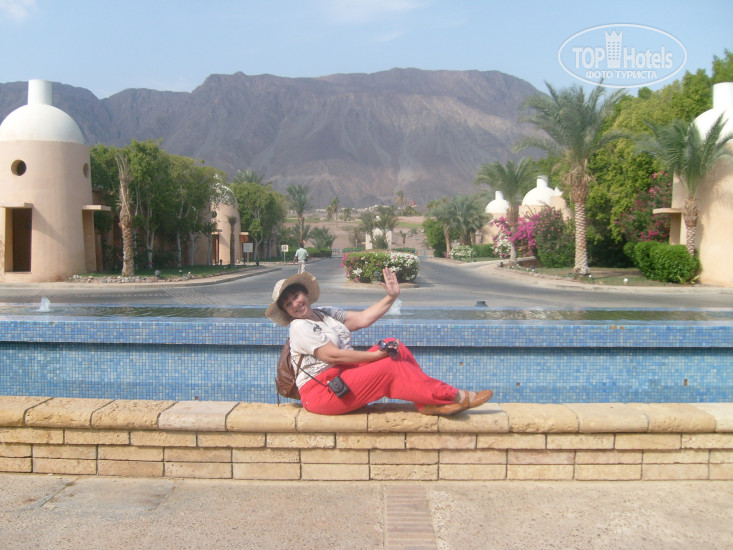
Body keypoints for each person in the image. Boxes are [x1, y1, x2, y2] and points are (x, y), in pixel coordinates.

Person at [265, 268, 493, 415]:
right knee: (388, 367)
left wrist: (391, 297)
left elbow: (362, 318)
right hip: (322, 391)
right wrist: (375, 356)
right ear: (287, 311)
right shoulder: (299, 326)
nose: (295, 303)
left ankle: (427, 402)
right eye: (288, 304)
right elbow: (333, 355)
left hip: (342, 377)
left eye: (296, 296)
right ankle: (454, 395)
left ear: (305, 294)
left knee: (394, 345)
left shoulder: (324, 313)